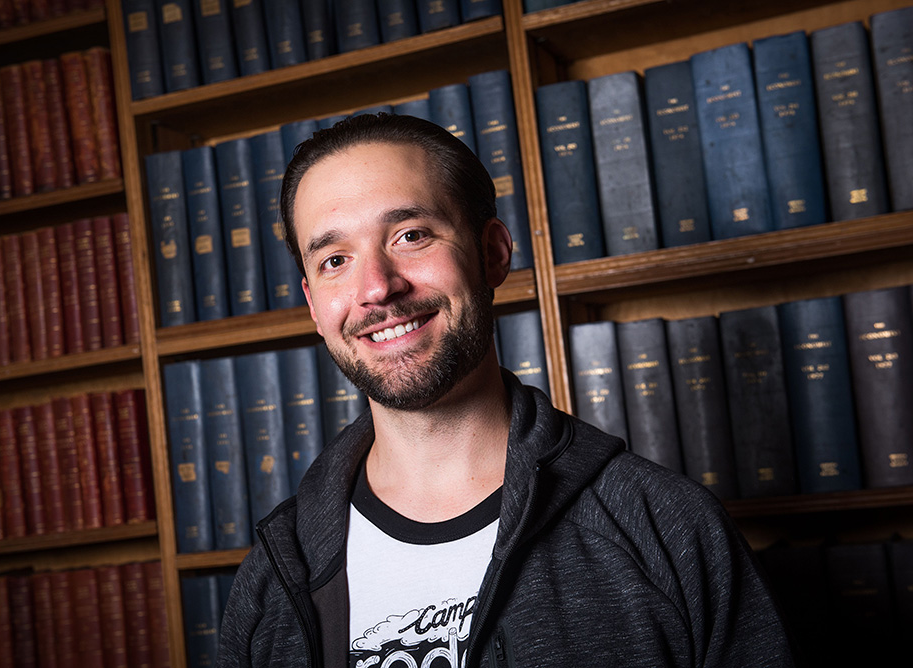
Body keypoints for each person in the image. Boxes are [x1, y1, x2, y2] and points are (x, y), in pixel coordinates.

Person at [216, 113, 796, 668]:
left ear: (492, 253)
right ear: (314, 303)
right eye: (335, 259)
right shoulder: (272, 578)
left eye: (412, 235)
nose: (376, 288)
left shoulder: (666, 528)